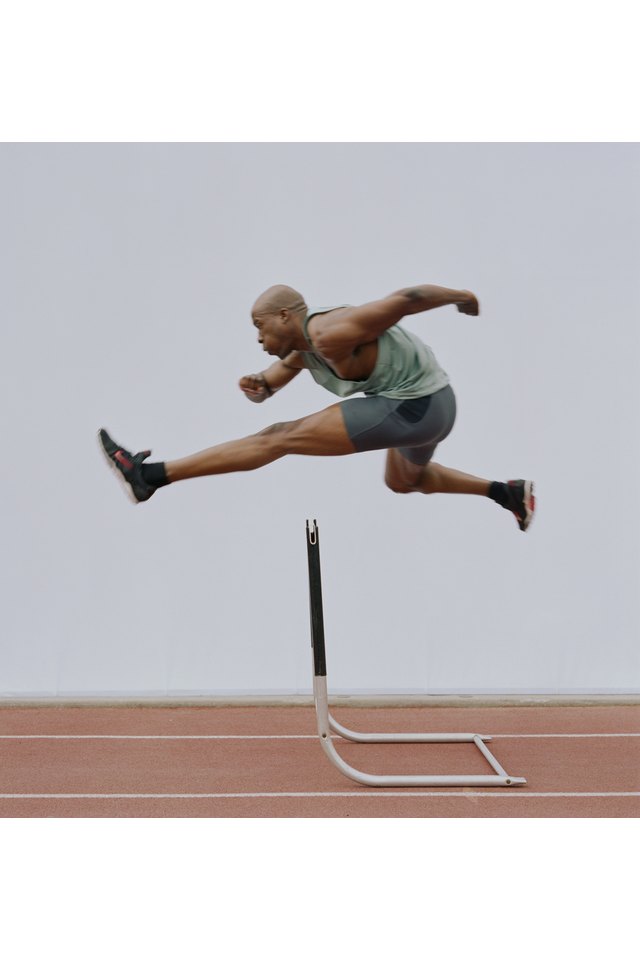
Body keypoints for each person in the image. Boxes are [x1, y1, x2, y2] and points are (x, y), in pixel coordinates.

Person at [99, 283, 535, 530]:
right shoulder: (303, 351)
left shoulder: (331, 333)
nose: (257, 338)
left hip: (416, 407)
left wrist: (462, 297)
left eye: (260, 326)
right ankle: (505, 492)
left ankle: (150, 476)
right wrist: (259, 386)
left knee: (279, 438)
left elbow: (407, 300)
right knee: (404, 481)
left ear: (286, 317)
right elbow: (272, 381)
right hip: (432, 408)